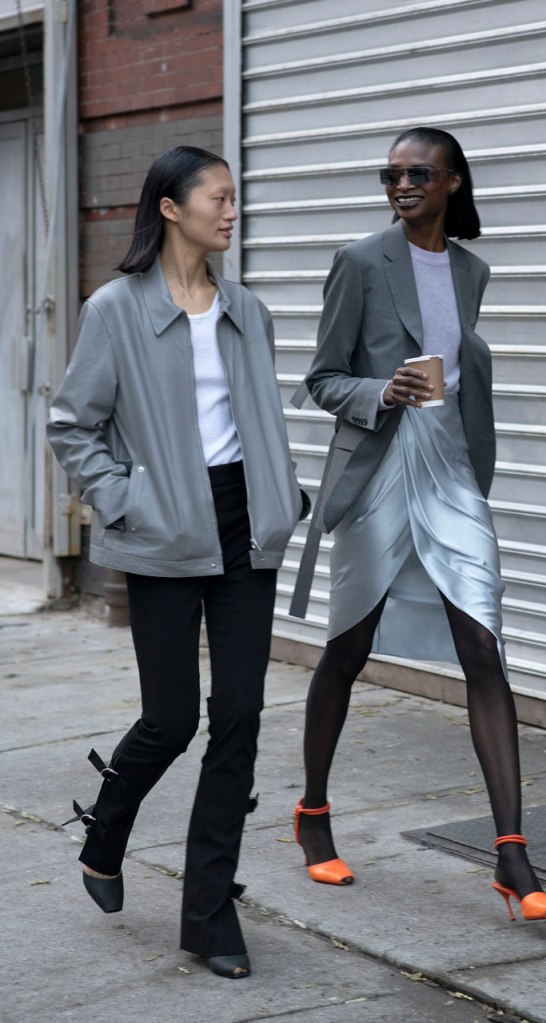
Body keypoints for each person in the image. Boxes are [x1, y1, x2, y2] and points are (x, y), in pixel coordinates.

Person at [48, 145, 308, 977]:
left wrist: (283, 493)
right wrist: (126, 500)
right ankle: (108, 827)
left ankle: (209, 913)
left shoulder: (247, 309)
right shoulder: (115, 309)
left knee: (239, 715)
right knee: (171, 718)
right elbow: (72, 425)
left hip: (244, 527)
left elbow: (259, 419)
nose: (231, 211)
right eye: (217, 198)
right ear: (170, 206)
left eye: (234, 198)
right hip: (162, 527)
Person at [290, 127, 546, 922]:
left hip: (449, 470)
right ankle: (312, 812)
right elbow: (322, 377)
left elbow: (462, 367)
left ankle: (512, 853)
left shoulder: (472, 270)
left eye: (417, 173)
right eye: (390, 174)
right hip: (381, 467)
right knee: (349, 647)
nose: (401, 184)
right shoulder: (359, 261)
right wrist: (382, 391)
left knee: (483, 642)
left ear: (452, 182)